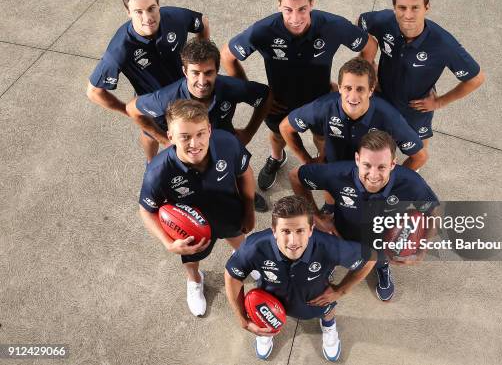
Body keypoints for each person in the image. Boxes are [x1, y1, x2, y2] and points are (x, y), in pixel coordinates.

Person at [221, 0, 369, 191]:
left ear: (312, 4)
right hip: (280, 102)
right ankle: (276, 158)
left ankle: (323, 164)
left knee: (321, 136)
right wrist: (252, 95)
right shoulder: (263, 31)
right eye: (288, 10)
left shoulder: (333, 25)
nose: (295, 18)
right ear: (279, 5)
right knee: (277, 136)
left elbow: (369, 45)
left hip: (320, 100)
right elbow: (227, 55)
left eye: (302, 9)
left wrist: (353, 85)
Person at [290, 130, 438, 301]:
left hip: (384, 241)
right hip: (343, 232)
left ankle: (382, 268)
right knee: (336, 254)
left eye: (382, 167)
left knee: (380, 258)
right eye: (367, 165)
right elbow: (295, 177)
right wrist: (316, 217)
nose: (373, 175)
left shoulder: (411, 183)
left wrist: (422, 249)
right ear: (357, 160)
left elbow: (434, 211)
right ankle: (333, 264)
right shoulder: (336, 174)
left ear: (393, 164)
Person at [138, 100, 255, 316]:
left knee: (241, 243)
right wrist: (168, 243)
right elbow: (146, 210)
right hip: (192, 227)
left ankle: (246, 261)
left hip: (229, 210)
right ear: (170, 137)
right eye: (185, 136)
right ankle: (194, 281)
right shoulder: (158, 172)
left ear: (209, 129)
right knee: (191, 259)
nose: (195, 143)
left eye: (201, 133)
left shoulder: (227, 142)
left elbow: (245, 172)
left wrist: (249, 209)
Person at [126, 38, 271, 211]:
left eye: (208, 72)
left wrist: (249, 132)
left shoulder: (231, 88)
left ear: (217, 71)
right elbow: (132, 109)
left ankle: (245, 195)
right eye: (195, 73)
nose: (202, 81)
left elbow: (265, 97)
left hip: (223, 144)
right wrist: (164, 139)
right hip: (189, 151)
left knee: (237, 172)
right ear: (185, 72)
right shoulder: (167, 97)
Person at [225, 195, 375, 361]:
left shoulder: (330, 246)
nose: (293, 241)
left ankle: (329, 326)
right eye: (286, 231)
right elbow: (232, 275)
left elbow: (370, 258)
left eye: (300, 231)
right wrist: (242, 318)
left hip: (316, 299)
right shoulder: (254, 246)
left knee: (328, 311)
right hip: (271, 302)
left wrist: (340, 290)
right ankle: (265, 328)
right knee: (263, 317)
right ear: (274, 231)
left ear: (311, 229)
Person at [358, 0, 485, 163]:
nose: (408, 15)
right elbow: (361, 22)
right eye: (402, 7)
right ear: (394, 7)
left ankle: (412, 173)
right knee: (372, 143)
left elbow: (476, 78)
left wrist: (440, 102)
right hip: (382, 94)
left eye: (415, 8)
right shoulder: (384, 21)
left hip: (415, 108)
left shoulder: (443, 44)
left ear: (427, 7)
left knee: (418, 150)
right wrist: (368, 63)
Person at [87, 0, 209, 153]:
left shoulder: (176, 17)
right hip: (155, 105)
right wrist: (128, 111)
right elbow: (93, 92)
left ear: (158, 4)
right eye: (138, 12)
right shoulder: (120, 49)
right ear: (128, 12)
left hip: (189, 90)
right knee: (150, 134)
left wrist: (201, 58)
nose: (147, 18)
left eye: (151, 8)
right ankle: (151, 163)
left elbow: (202, 22)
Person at [279, 57, 426, 169]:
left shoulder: (389, 117)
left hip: (368, 176)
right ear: (340, 87)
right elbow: (285, 127)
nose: (353, 96)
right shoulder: (323, 107)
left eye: (360, 89)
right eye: (348, 88)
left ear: (371, 89)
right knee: (296, 178)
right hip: (334, 170)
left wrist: (391, 181)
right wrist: (307, 161)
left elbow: (419, 157)